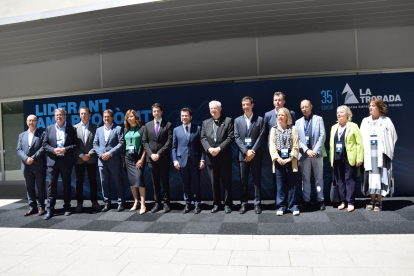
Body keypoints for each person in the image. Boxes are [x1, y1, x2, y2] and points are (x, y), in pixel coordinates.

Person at [360, 99, 397, 211]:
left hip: (381, 155)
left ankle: (379, 201)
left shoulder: (387, 121)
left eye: (373, 106)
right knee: (371, 177)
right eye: (369, 106)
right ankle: (372, 200)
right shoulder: (365, 121)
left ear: (379, 107)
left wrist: (388, 151)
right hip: (369, 155)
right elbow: (361, 138)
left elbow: (393, 136)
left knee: (381, 176)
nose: (370, 108)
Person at [43, 108, 77, 219]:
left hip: (66, 161)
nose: (59, 117)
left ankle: (67, 207)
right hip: (53, 161)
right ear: (54, 117)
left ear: (65, 116)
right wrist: (53, 150)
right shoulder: (49, 129)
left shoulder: (71, 128)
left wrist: (65, 149)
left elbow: (75, 145)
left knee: (67, 185)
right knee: (51, 186)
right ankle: (50, 209)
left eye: (61, 115)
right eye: (57, 115)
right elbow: (45, 144)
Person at [201, 100, 234, 214]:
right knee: (214, 182)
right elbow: (203, 138)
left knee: (226, 182)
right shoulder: (205, 123)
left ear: (220, 109)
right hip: (211, 157)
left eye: (215, 108)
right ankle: (216, 204)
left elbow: (230, 137)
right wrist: (209, 149)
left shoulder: (228, 121)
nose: (213, 111)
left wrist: (219, 149)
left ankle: (228, 204)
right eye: (211, 109)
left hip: (224, 157)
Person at [234, 96, 265, 214]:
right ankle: (244, 203)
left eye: (247, 104)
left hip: (256, 155)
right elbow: (236, 137)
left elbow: (261, 137)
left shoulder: (260, 119)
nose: (245, 107)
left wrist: (252, 151)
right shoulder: (237, 120)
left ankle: (257, 204)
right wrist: (246, 151)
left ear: (252, 105)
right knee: (243, 180)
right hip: (243, 155)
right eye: (243, 105)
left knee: (257, 179)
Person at [264, 92, 296, 202]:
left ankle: (291, 203)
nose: (277, 102)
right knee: (277, 178)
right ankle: (278, 202)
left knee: (290, 178)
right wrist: (275, 154)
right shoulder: (268, 115)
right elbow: (266, 133)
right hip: (275, 153)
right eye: (275, 100)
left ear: (284, 102)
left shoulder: (291, 113)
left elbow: (293, 131)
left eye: (279, 100)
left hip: (289, 153)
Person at [329, 105, 363, 212]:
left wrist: (359, 158)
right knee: (340, 180)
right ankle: (343, 201)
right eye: (338, 112)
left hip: (350, 157)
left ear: (347, 114)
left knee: (350, 179)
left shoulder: (353, 126)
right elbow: (331, 145)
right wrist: (331, 159)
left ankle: (351, 202)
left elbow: (359, 143)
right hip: (337, 157)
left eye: (341, 112)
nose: (339, 114)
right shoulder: (334, 127)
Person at [172, 108, 206, 214]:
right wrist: (174, 160)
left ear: (191, 117)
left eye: (186, 115)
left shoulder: (198, 129)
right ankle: (187, 203)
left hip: (195, 161)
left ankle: (197, 204)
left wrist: (202, 159)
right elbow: (174, 147)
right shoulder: (176, 130)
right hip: (182, 161)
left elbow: (202, 147)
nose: (184, 117)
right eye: (182, 116)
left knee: (196, 183)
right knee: (185, 183)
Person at [295, 100, 327, 211]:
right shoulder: (298, 122)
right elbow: (297, 139)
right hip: (304, 154)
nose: (304, 109)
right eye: (302, 107)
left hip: (317, 154)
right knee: (305, 178)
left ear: (311, 107)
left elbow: (322, 136)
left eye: (306, 107)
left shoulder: (319, 119)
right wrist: (307, 150)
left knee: (319, 178)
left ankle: (320, 199)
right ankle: (306, 200)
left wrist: (315, 150)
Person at [142, 103, 173, 213]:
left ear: (161, 112)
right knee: (155, 183)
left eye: (158, 111)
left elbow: (169, 142)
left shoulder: (168, 125)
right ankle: (157, 203)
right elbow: (144, 142)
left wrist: (159, 154)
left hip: (163, 159)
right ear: (152, 112)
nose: (156, 113)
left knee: (165, 181)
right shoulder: (147, 125)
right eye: (154, 111)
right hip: (151, 160)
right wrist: (151, 154)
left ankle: (166, 203)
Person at [269, 108, 300, 216]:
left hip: (291, 161)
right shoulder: (273, 129)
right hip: (278, 161)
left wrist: (289, 158)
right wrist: (278, 158)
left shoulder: (293, 129)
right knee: (280, 185)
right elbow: (271, 146)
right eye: (278, 115)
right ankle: (281, 207)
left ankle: (293, 206)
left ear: (287, 116)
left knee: (292, 185)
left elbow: (296, 146)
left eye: (282, 115)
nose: (280, 117)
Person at [93, 109, 125, 212]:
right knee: (104, 183)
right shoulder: (98, 130)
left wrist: (109, 153)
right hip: (102, 161)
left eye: (108, 117)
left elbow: (121, 143)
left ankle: (121, 202)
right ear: (103, 118)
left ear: (112, 118)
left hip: (114, 160)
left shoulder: (118, 129)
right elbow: (95, 144)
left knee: (118, 182)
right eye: (105, 117)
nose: (106, 118)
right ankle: (106, 202)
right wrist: (101, 154)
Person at [16, 115, 47, 216]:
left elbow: (43, 147)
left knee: (40, 186)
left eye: (33, 120)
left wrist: (33, 158)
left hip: (38, 165)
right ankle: (32, 207)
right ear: (26, 122)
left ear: (37, 122)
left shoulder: (42, 133)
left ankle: (41, 207)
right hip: (26, 165)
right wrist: (26, 158)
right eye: (29, 120)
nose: (31, 122)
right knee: (29, 187)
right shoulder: (22, 135)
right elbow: (18, 149)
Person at [73, 107, 100, 212]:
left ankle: (94, 202)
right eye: (81, 113)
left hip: (91, 158)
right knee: (79, 181)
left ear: (90, 115)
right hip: (79, 159)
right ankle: (79, 203)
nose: (83, 115)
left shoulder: (96, 128)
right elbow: (73, 144)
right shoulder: (74, 128)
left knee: (93, 181)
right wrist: (81, 155)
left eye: (85, 113)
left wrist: (89, 154)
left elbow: (97, 143)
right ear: (79, 115)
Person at [123, 109, 147, 214]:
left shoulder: (142, 129)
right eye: (128, 117)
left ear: (136, 117)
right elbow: (124, 146)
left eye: (131, 116)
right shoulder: (125, 130)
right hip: (128, 158)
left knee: (139, 180)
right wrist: (123, 160)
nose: (129, 118)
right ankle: (136, 202)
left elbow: (145, 146)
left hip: (138, 158)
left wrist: (141, 160)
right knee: (132, 181)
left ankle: (143, 204)